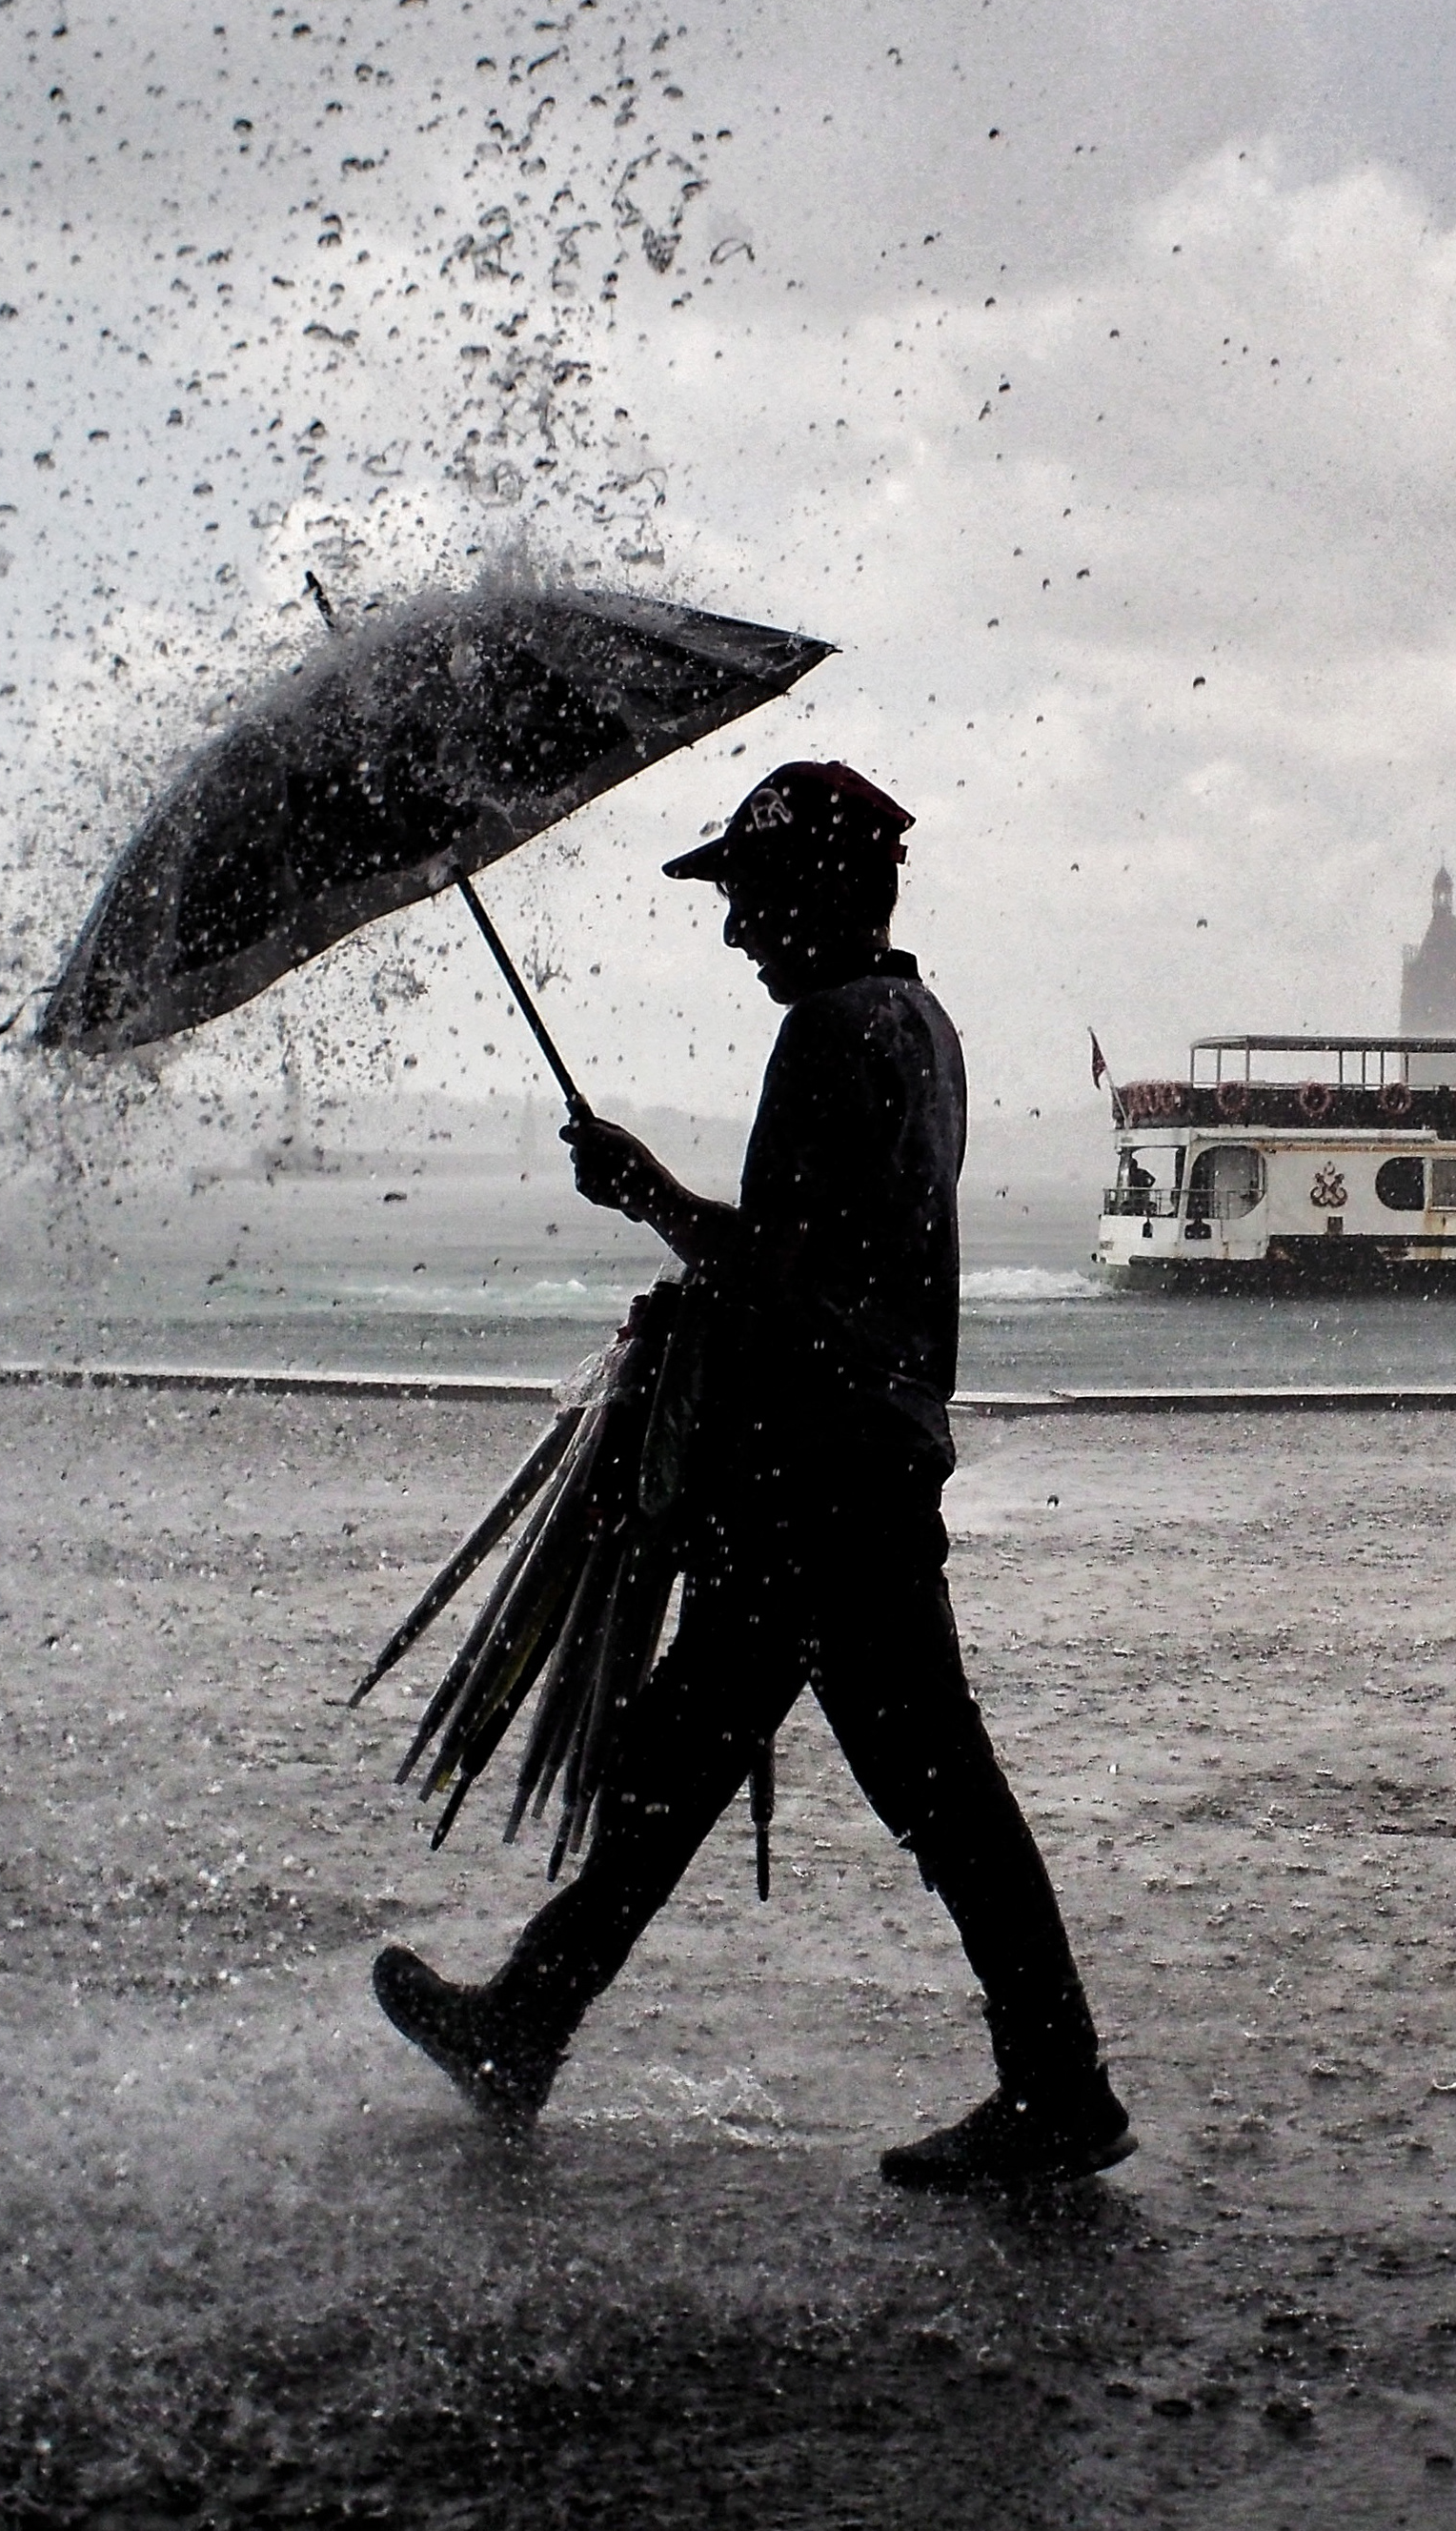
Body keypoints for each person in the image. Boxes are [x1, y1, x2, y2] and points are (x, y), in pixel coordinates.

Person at [372, 760, 1132, 2189]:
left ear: (827, 891)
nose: (736, 932)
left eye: (754, 897)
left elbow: (787, 1275)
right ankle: (527, 2022)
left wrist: (646, 1192)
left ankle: (1057, 2088)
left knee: (934, 1789)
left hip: (822, 1491)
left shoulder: (832, 1035)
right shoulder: (924, 1023)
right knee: (684, 1766)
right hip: (857, 1469)